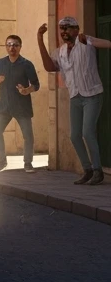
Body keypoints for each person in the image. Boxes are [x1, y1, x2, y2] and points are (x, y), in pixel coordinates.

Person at [37, 17, 110, 185]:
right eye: (62, 28)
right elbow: (49, 67)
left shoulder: (86, 41)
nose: (64, 31)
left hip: (92, 94)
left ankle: (98, 170)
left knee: (87, 132)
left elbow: (106, 44)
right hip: (75, 97)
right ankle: (87, 170)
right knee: (75, 136)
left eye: (68, 28)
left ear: (77, 29)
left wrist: (90, 40)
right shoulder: (60, 52)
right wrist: (40, 39)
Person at [0, 35, 40, 172]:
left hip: (21, 106)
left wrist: (27, 90)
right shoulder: (0, 63)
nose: (12, 47)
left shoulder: (27, 64)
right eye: (9, 44)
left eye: (15, 45)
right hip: (4, 106)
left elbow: (36, 84)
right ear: (6, 47)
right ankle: (2, 161)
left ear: (20, 47)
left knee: (28, 136)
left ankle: (28, 163)